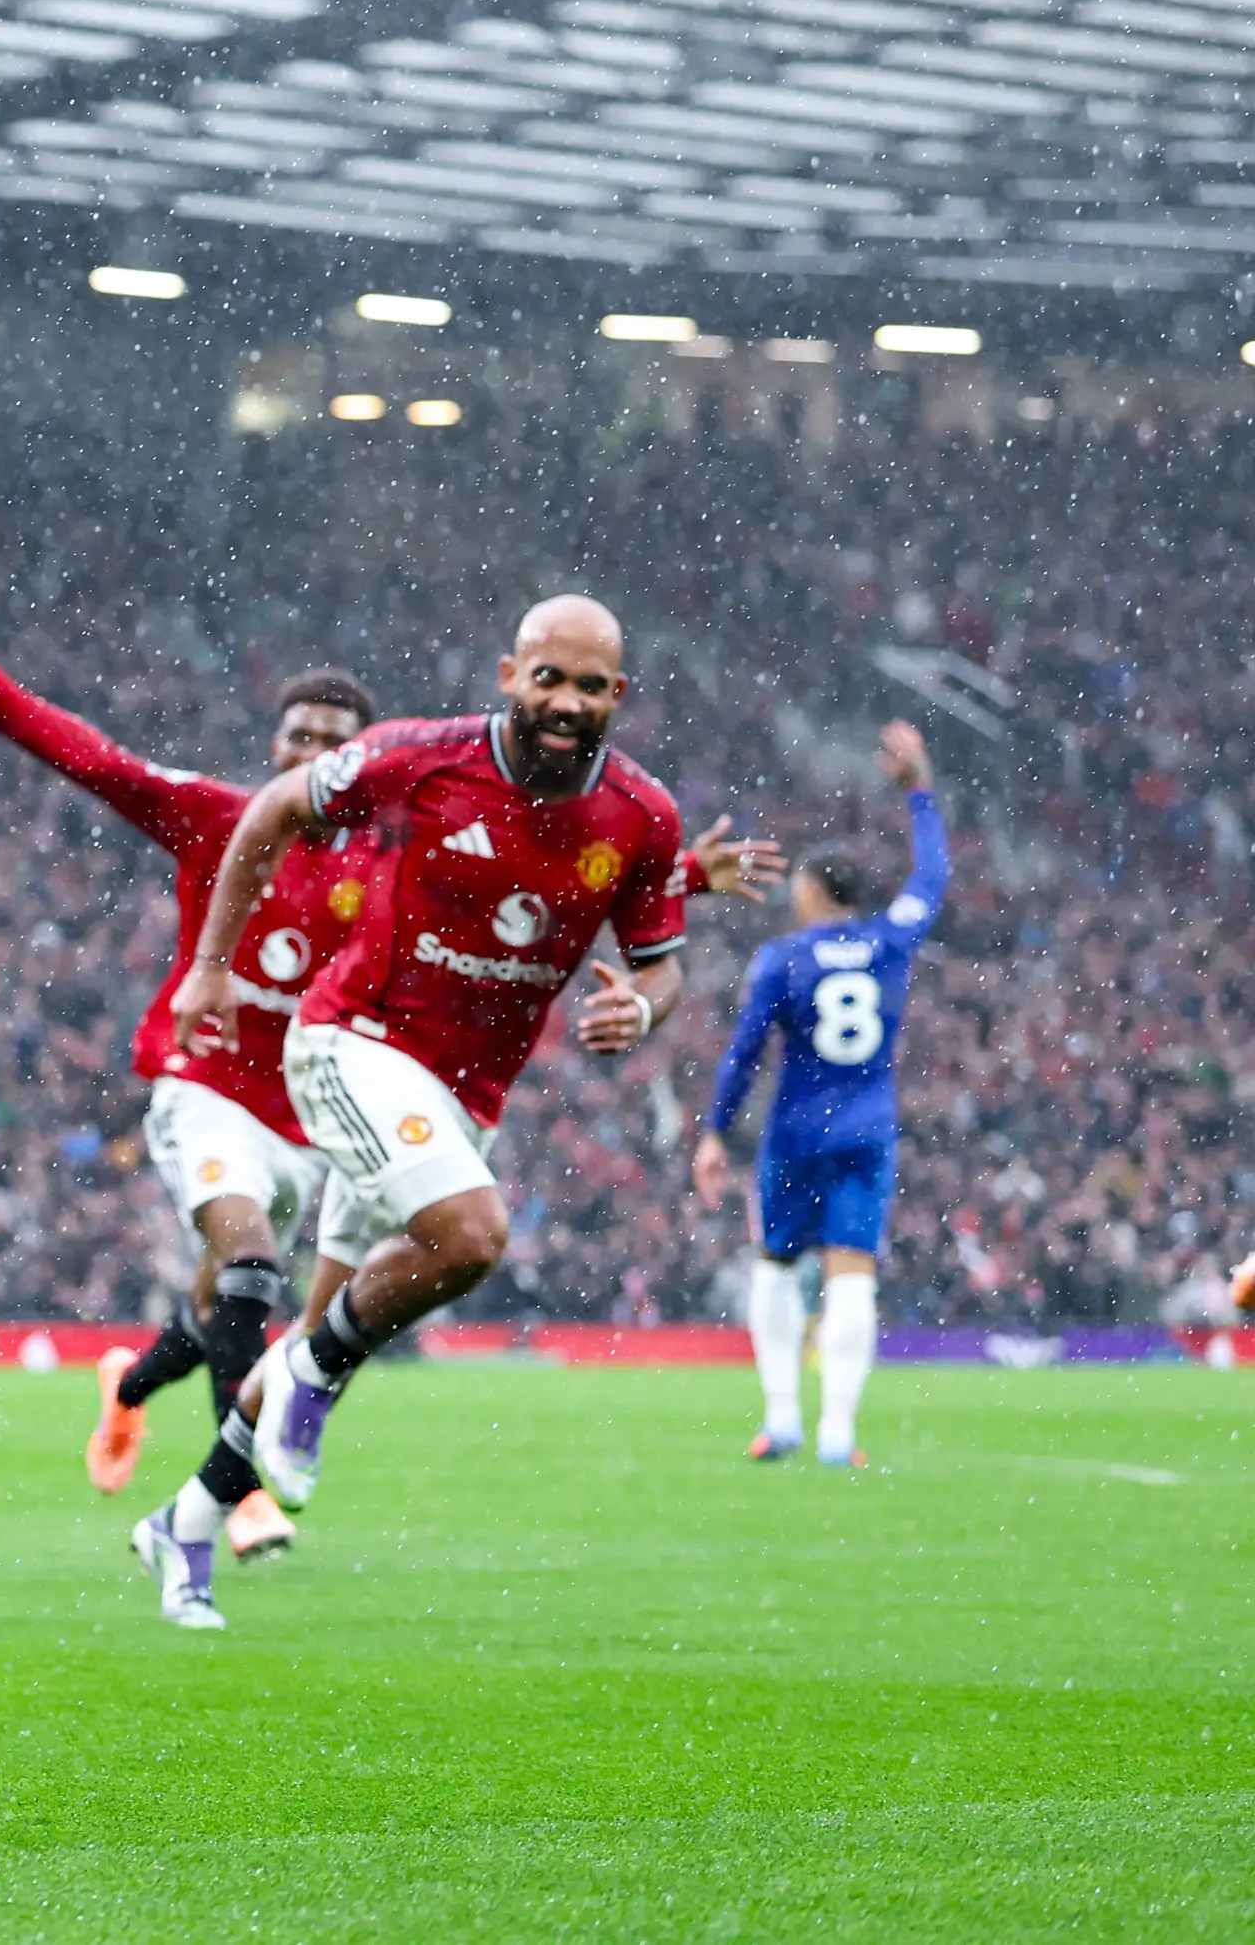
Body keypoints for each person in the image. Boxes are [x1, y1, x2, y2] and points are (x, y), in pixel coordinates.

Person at [147, 596, 690, 1630]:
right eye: (548, 679)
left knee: (328, 1328)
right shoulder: (418, 759)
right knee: (472, 1236)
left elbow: (663, 966)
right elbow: (269, 811)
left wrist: (642, 1006)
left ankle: (187, 1518)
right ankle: (309, 1373)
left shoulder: (643, 816)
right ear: (508, 674)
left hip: (462, 1094)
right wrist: (212, 967)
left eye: (587, 686)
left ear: (617, 694)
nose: (564, 702)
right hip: (352, 1042)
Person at [0, 612, 375, 1566]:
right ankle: (239, 1494)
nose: (311, 751)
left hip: (302, 1120)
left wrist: (676, 877)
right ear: (275, 745)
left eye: (332, 741)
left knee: (220, 1306)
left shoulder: (382, 864)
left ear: (360, 760)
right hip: (202, 1087)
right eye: (298, 735)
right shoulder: (219, 815)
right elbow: (103, 765)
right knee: (248, 1268)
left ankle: (128, 1384)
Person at [694, 722, 946, 1469]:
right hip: (867, 1125)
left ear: (809, 892)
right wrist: (920, 791)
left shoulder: (784, 958)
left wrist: (715, 1130)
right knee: (852, 1271)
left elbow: (743, 1052)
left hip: (799, 1127)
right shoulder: (891, 938)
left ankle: (781, 1419)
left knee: (775, 1263)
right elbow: (931, 878)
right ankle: (839, 1429)